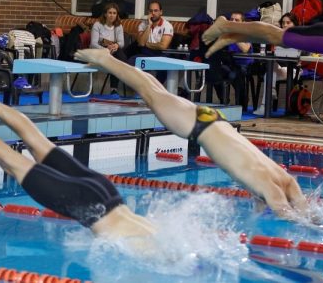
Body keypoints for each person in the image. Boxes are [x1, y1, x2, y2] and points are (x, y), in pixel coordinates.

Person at [73, 48, 307, 217]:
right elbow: (286, 213)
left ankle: (108, 61)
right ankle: (106, 58)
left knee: (156, 89)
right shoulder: (276, 186)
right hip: (199, 127)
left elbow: (288, 201)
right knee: (149, 91)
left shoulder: (281, 179)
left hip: (214, 122)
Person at [0, 80, 156, 239]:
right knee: (9, 161)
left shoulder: (161, 240)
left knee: (34, 139)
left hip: (109, 194)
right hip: (88, 207)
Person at [253, 12, 299, 116]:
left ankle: (265, 106)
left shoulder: (299, 37)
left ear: (295, 24)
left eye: (288, 22)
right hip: (279, 68)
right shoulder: (277, 37)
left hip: (293, 69)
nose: (285, 25)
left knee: (269, 74)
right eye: (283, 23)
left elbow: (304, 53)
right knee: (270, 71)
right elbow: (273, 54)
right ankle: (271, 93)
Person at [130, 1, 174, 83]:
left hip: (161, 54)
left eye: (156, 10)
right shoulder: (143, 25)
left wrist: (146, 44)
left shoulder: (167, 25)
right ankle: (141, 88)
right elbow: (141, 43)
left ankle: (156, 91)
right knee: (132, 61)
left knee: (163, 68)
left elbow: (163, 46)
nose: (153, 13)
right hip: (146, 53)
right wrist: (149, 25)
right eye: (150, 11)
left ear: (161, 12)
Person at [90, 2, 126, 95]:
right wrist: (106, 49)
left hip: (113, 52)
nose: (112, 15)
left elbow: (121, 43)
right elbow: (93, 43)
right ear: (105, 14)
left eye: (114, 13)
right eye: (110, 13)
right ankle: (114, 88)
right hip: (99, 51)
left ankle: (114, 89)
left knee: (118, 57)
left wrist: (116, 46)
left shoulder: (119, 26)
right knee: (118, 60)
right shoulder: (97, 25)